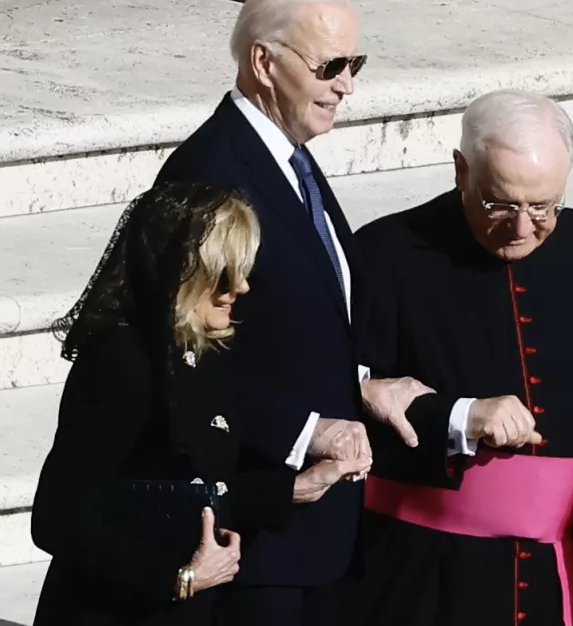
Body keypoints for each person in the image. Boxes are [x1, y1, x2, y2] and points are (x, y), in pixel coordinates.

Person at [152, 0, 433, 626]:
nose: (348, 84)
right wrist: (307, 429)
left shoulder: (291, 162)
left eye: (355, 63)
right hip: (256, 547)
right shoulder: (210, 173)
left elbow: (300, 326)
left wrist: (360, 386)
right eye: (331, 64)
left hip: (320, 541)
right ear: (263, 61)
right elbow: (180, 363)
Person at [346, 90, 573, 626]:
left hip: (553, 571)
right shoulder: (387, 252)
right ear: (461, 170)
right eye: (500, 203)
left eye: (544, 207)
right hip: (425, 568)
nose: (523, 228)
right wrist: (459, 416)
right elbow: (344, 398)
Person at [30, 182, 369, 626]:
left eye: (244, 270)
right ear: (183, 270)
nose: (242, 287)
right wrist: (178, 577)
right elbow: (59, 516)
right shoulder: (121, 361)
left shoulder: (198, 354)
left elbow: (194, 489)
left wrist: (299, 487)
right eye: (225, 274)